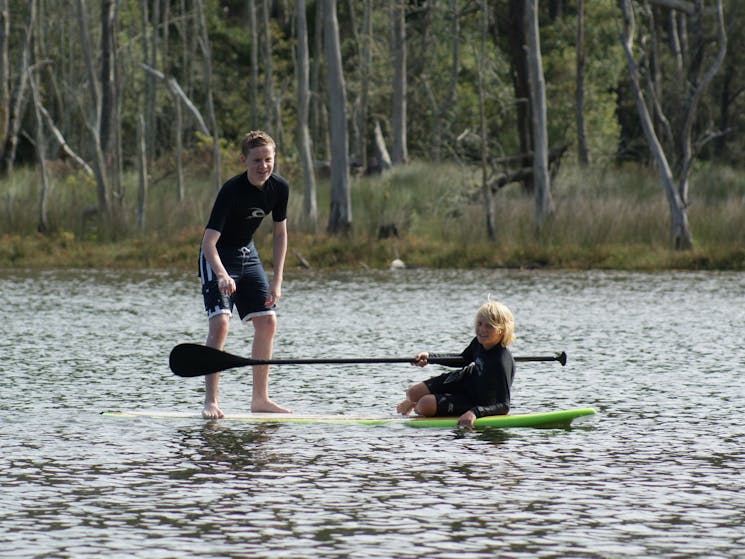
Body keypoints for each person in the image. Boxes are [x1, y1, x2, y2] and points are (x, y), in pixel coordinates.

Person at [198, 130, 289, 419]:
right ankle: (210, 401)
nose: (263, 166)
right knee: (221, 324)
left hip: (247, 256)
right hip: (218, 257)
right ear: (244, 160)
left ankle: (260, 399)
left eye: (268, 159)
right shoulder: (231, 190)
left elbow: (279, 234)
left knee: (267, 322)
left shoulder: (279, 188)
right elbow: (208, 243)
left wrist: (277, 280)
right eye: (257, 160)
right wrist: (223, 275)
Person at [396, 300, 516, 429]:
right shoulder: (478, 343)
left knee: (425, 404)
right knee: (412, 392)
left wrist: (475, 412)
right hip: (464, 380)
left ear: (502, 330)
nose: (482, 330)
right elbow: (462, 359)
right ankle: (413, 401)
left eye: (489, 326)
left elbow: (504, 405)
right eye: (479, 324)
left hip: (477, 401)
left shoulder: (502, 361)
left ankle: (418, 405)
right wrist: (430, 357)